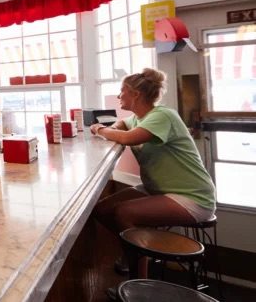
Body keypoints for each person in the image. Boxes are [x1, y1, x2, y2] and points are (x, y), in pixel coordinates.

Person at [90, 68, 216, 276]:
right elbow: (123, 124)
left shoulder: (163, 115)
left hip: (192, 196)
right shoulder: (141, 118)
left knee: (124, 212)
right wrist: (115, 126)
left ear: (135, 94)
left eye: (122, 91)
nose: (119, 96)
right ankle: (136, 245)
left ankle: (139, 277)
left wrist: (100, 129)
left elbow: (128, 138)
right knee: (101, 210)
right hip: (159, 189)